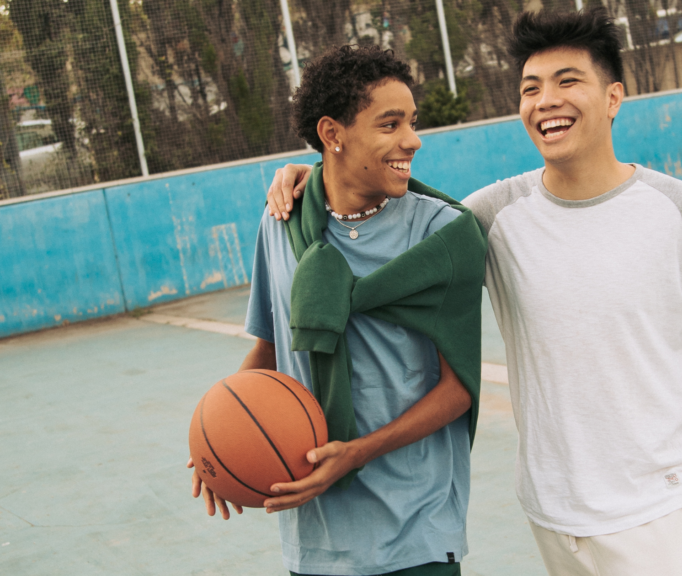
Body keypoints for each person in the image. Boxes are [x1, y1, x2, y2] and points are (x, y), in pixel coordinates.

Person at [265, 9, 682, 575]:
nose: (545, 101)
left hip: (659, 509)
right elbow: (387, 203)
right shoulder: (490, 216)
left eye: (568, 82)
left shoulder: (678, 209)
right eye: (530, 88)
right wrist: (312, 176)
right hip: (553, 515)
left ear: (613, 98)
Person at [189, 45, 487, 576]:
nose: (412, 140)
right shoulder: (280, 223)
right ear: (332, 134)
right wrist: (215, 439)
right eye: (390, 124)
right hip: (316, 535)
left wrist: (356, 452)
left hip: (415, 528)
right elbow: (270, 348)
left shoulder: (442, 235)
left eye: (412, 122)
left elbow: (458, 387)